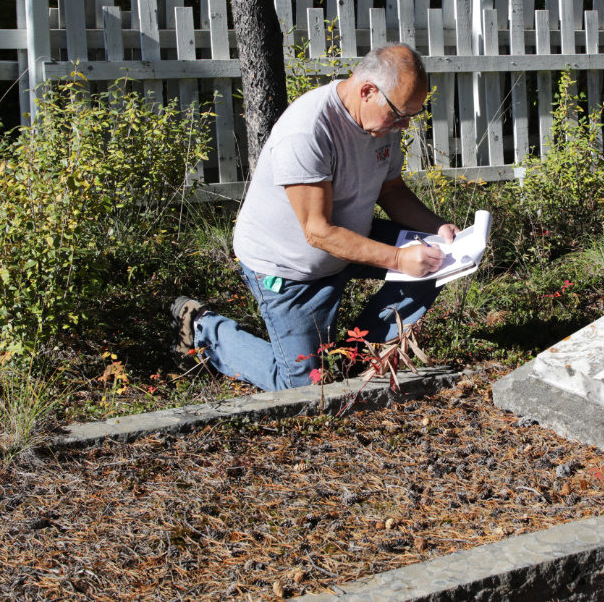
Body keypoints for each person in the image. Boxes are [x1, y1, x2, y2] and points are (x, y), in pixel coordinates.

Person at [170, 43, 459, 392]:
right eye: (399, 114)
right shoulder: (308, 131)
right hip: (290, 268)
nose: (404, 124)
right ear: (367, 91)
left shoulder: (380, 123)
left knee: (436, 262)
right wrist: (399, 258)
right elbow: (318, 232)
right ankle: (204, 328)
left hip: (350, 239)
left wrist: (435, 227)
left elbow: (391, 190)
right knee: (303, 386)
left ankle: (357, 355)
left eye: (412, 115)